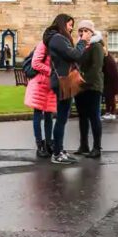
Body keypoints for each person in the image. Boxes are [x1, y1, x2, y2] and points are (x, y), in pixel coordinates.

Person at [45, 13, 85, 165]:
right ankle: (57, 153)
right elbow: (74, 54)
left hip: (63, 80)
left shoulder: (58, 38)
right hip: (62, 81)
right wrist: (82, 41)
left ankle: (60, 150)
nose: (71, 28)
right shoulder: (57, 39)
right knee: (61, 119)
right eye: (70, 25)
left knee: (63, 117)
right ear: (63, 24)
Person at [73, 22, 105, 159]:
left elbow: (96, 67)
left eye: (86, 30)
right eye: (80, 30)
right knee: (82, 116)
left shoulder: (96, 46)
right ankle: (84, 145)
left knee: (94, 117)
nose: (82, 33)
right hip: (80, 86)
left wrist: (84, 80)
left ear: (92, 32)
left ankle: (96, 147)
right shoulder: (80, 46)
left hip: (93, 86)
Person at [24, 30, 56, 160]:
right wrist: (51, 72)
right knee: (38, 114)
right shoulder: (43, 45)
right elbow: (35, 63)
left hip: (50, 86)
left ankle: (48, 142)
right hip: (39, 84)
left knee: (49, 115)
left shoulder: (56, 47)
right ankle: (40, 145)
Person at [102, 51, 118, 121]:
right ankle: (108, 112)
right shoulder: (107, 58)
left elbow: (104, 70)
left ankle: (112, 113)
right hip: (111, 81)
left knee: (111, 97)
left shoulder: (107, 59)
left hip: (112, 82)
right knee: (108, 97)